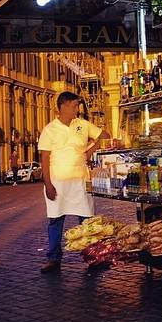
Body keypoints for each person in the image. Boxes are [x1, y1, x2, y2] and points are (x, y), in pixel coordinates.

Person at [38, 91, 109, 273]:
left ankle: (93, 257)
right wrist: (48, 184)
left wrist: (91, 149)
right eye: (75, 105)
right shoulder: (50, 129)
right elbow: (44, 158)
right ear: (63, 106)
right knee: (55, 221)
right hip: (57, 183)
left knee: (88, 221)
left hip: (80, 180)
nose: (78, 109)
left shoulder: (82, 125)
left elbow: (105, 135)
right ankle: (53, 259)